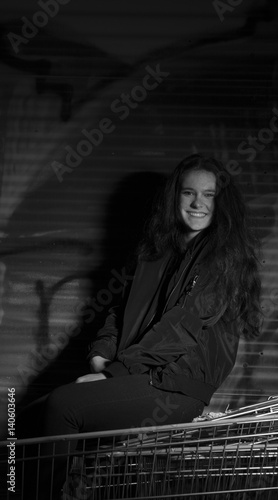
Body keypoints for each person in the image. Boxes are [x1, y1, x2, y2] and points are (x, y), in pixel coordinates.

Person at [23, 153, 262, 497]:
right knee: (33, 414)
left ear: (221, 202)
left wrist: (113, 374)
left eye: (209, 195)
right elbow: (117, 312)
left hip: (174, 387)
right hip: (136, 374)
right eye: (188, 192)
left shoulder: (222, 259)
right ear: (174, 197)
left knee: (64, 406)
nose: (197, 203)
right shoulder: (155, 251)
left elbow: (181, 328)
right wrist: (100, 355)